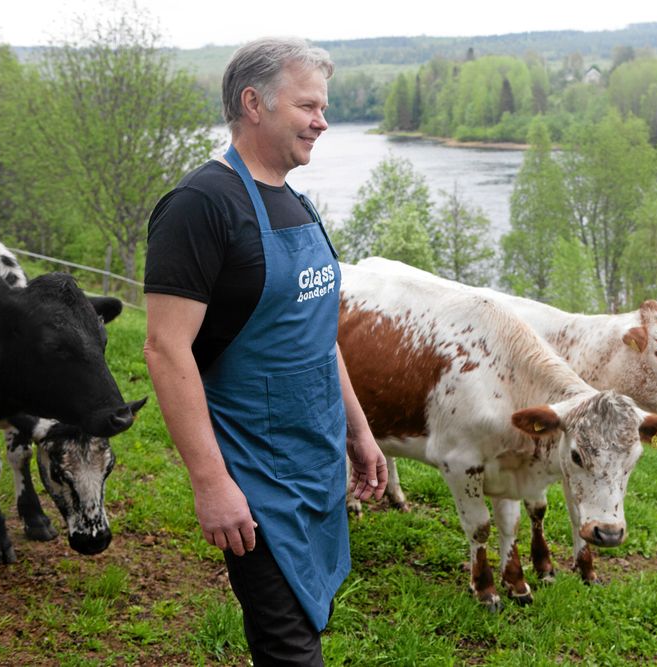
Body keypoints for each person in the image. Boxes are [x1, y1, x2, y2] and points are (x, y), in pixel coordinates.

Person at [143, 37, 387, 665]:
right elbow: (166, 350)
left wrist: (360, 434)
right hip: (252, 473)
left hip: (312, 460)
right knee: (290, 647)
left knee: (303, 623)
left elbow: (315, 334)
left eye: (323, 107)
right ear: (254, 103)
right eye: (308, 106)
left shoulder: (296, 202)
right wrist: (210, 482)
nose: (323, 121)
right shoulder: (201, 206)